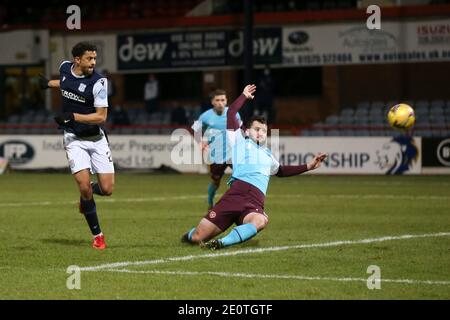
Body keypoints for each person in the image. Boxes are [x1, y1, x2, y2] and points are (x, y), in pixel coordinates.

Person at [182, 84, 327, 250]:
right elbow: (231, 113)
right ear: (247, 131)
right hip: (234, 196)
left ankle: (221, 243)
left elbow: (281, 171)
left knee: (260, 220)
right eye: (256, 129)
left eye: (264, 131)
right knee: (197, 237)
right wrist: (243, 95)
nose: (260, 133)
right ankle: (190, 235)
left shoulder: (268, 155)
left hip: (254, 203)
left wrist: (309, 166)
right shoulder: (238, 141)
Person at [39, 42, 114, 250]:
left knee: (107, 189)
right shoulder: (64, 68)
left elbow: (101, 116)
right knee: (83, 186)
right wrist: (48, 84)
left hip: (96, 139)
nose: (93, 63)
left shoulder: (99, 82)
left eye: (95, 58)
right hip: (73, 138)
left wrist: (73, 116)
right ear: (77, 60)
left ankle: (85, 197)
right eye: (89, 59)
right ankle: (98, 235)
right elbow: (65, 82)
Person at [191, 89, 242, 210]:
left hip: (232, 153)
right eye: (217, 100)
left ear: (226, 101)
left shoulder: (234, 113)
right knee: (216, 182)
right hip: (216, 155)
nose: (220, 103)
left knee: (240, 178)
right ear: (212, 102)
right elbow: (195, 129)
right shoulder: (205, 116)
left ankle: (237, 204)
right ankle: (210, 203)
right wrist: (201, 142)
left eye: (222, 100)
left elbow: (240, 130)